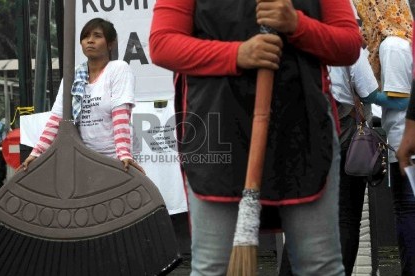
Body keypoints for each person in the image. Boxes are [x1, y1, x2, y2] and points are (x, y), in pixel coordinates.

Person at [150, 0, 361, 275]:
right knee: (213, 266)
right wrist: (237, 54)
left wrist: (297, 25)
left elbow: (348, 44)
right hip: (218, 133)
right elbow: (162, 44)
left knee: (319, 265)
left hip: (302, 132)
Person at [21, 18, 144, 174]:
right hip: (82, 158)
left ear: (110, 43)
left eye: (97, 36)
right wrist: (36, 153)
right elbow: (56, 119)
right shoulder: (73, 76)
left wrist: (124, 154)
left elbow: (121, 115)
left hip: (114, 159)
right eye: (86, 36)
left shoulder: (118, 69)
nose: (90, 41)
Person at [354, 0, 415, 274]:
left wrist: (368, 94)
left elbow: (402, 101)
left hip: (404, 145)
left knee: (407, 212)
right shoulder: (402, 43)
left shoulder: (393, 46)